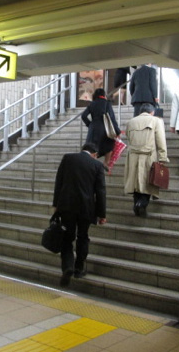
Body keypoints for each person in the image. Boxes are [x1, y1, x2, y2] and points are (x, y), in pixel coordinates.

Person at [52, 143, 107, 287]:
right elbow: (100, 191)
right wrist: (102, 214)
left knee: (67, 238)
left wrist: (56, 205)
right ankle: (79, 268)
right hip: (86, 209)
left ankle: (67, 267)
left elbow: (59, 182)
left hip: (67, 206)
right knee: (83, 237)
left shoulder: (68, 158)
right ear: (95, 154)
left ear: (83, 150)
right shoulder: (97, 165)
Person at [124, 103, 169, 216]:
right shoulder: (156, 121)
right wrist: (162, 157)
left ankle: (137, 205)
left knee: (135, 183)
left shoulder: (131, 122)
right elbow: (161, 141)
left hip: (133, 157)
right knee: (148, 182)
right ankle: (141, 205)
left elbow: (128, 137)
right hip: (149, 155)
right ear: (152, 112)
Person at [81, 88, 121, 170]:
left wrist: (90, 124)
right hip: (105, 129)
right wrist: (117, 131)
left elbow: (83, 116)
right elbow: (112, 118)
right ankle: (106, 163)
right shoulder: (107, 103)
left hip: (93, 129)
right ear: (104, 95)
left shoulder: (92, 104)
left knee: (92, 147)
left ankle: (92, 164)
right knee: (109, 145)